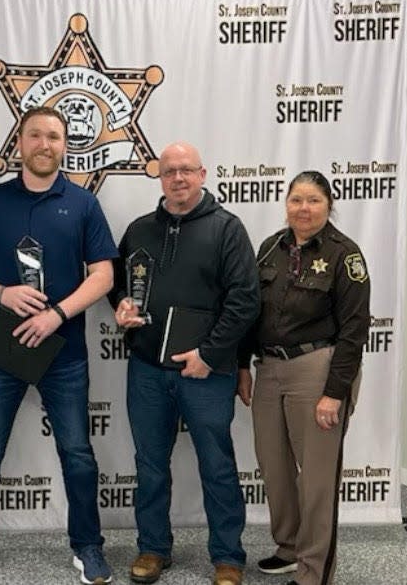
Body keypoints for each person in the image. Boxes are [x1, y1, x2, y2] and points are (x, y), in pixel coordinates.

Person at [0, 106, 119, 585]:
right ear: (19, 142)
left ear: (64, 145)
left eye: (54, 136)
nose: (44, 144)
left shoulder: (83, 204)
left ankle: (88, 546)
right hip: (3, 349)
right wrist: (1, 292)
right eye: (35, 134)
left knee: (78, 453)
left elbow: (103, 274)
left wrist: (57, 313)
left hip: (64, 349)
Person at [109, 141, 259, 585]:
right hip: (148, 369)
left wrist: (209, 355)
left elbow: (245, 300)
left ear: (203, 174)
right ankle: (153, 548)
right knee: (150, 464)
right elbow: (116, 283)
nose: (178, 178)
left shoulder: (228, 229)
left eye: (186, 170)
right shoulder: (138, 229)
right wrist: (119, 305)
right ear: (159, 176)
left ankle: (228, 557)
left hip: (207, 373)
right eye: (170, 170)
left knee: (217, 464)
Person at [237, 170, 370, 585]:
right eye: (296, 199)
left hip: (318, 370)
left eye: (313, 200)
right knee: (274, 468)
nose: (303, 208)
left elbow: (354, 331)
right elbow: (249, 312)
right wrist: (243, 364)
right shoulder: (269, 248)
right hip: (269, 368)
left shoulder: (344, 255)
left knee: (314, 477)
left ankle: (315, 569)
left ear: (329, 204)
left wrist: (335, 393)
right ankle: (289, 547)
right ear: (285, 203)